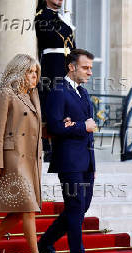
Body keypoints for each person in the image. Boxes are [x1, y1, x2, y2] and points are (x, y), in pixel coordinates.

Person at [0, 54, 52, 253]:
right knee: (30, 209)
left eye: (36, 73)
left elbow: (33, 129)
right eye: (30, 72)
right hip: (13, 160)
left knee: (24, 207)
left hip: (30, 161)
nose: (34, 77)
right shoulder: (6, 94)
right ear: (19, 71)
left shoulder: (32, 96)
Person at [37, 49, 102, 253]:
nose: (90, 72)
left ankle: (44, 243)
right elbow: (54, 127)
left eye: (91, 68)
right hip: (68, 162)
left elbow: (86, 127)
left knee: (80, 209)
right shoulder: (58, 91)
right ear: (71, 67)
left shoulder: (82, 92)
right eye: (86, 67)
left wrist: (79, 126)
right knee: (75, 210)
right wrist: (79, 126)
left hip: (86, 162)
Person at [35, 0, 76, 161]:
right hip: (51, 65)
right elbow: (50, 39)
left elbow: (72, 45)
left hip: (66, 66)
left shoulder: (62, 19)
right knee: (50, 105)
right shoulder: (41, 16)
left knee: (67, 105)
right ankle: (48, 148)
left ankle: (64, 146)